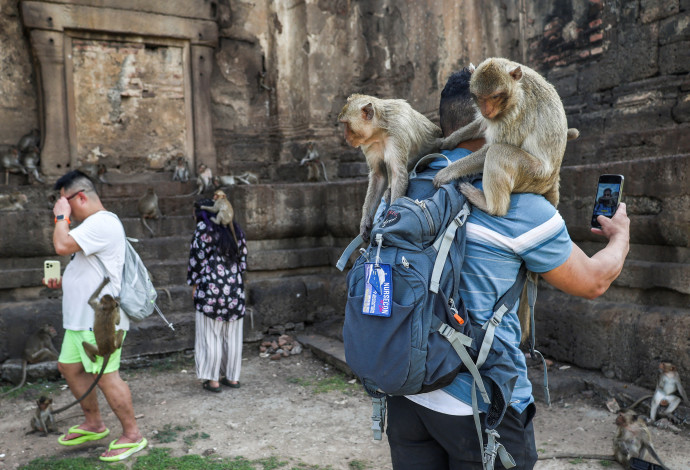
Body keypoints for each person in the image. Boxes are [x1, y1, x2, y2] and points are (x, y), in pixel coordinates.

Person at [384, 68, 630, 469]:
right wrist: (620, 237)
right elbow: (593, 282)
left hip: (406, 390)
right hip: (481, 405)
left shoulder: (407, 183)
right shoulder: (520, 205)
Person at [44, 170, 147, 462]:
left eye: (65, 202)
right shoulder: (90, 226)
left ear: (81, 197)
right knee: (69, 367)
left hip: (100, 322)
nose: (62, 208)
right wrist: (62, 282)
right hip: (78, 321)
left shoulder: (102, 222)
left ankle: (132, 435)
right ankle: (94, 424)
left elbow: (61, 246)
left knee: (106, 378)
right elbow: (87, 270)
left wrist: (61, 217)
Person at [187, 198, 248, 393]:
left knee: (210, 335)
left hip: (210, 290)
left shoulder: (204, 229)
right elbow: (243, 259)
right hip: (234, 290)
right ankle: (232, 377)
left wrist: (194, 284)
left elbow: (197, 259)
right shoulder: (234, 228)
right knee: (232, 335)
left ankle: (213, 380)